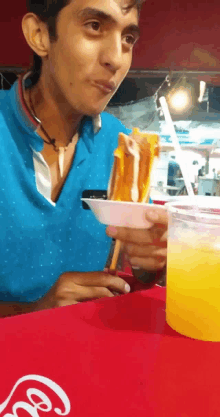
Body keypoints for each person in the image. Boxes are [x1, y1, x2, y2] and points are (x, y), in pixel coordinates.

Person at [0, 0, 168, 317]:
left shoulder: (123, 147)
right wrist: (35, 311)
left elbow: (133, 268)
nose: (116, 59)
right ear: (39, 34)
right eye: (94, 26)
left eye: (128, 39)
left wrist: (153, 261)